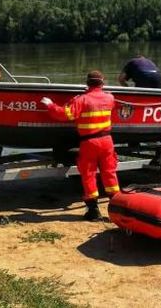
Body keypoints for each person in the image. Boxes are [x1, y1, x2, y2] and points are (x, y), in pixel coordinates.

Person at [41, 70, 120, 220]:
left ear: (87, 83)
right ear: (102, 83)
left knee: (88, 174)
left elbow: (65, 114)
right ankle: (116, 207)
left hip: (89, 142)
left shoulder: (82, 99)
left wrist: (51, 105)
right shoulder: (110, 98)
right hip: (107, 141)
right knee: (109, 172)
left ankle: (93, 211)